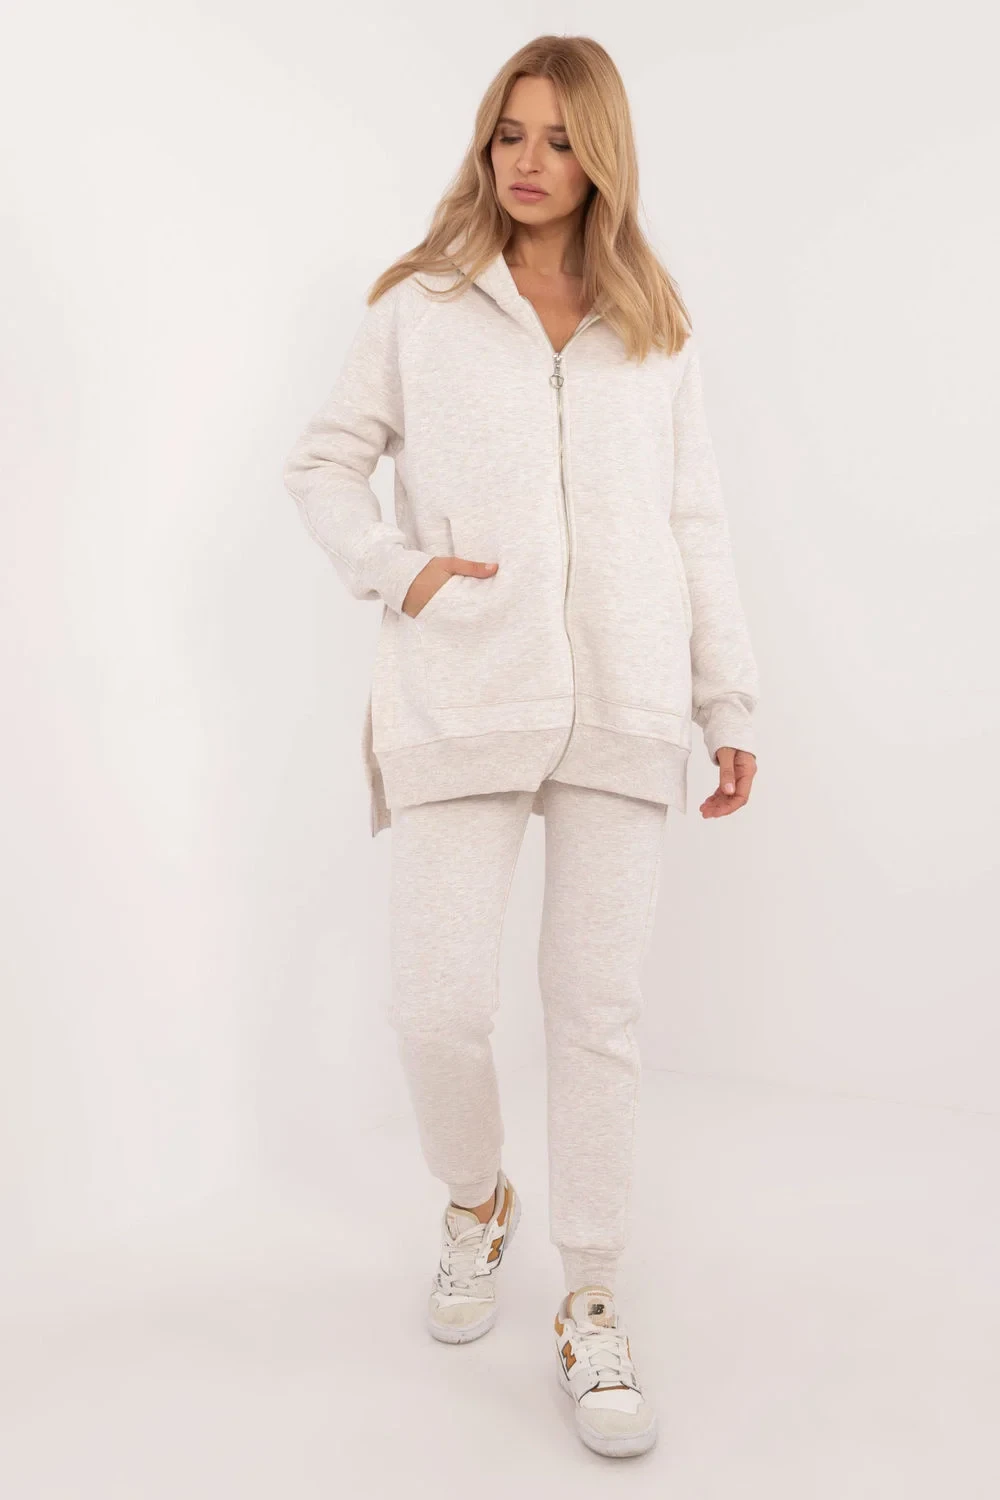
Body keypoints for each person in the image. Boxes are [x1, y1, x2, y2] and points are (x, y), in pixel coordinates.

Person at [282, 34, 759, 1460]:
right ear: (485, 145)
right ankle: (476, 1197)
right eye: (510, 133)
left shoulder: (653, 323)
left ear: (600, 153)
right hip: (464, 687)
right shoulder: (421, 307)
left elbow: (694, 521)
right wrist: (400, 570)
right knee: (436, 1008)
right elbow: (324, 461)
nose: (531, 162)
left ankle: (590, 1296)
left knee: (595, 1014)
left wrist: (728, 700)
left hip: (624, 693)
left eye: (559, 137)